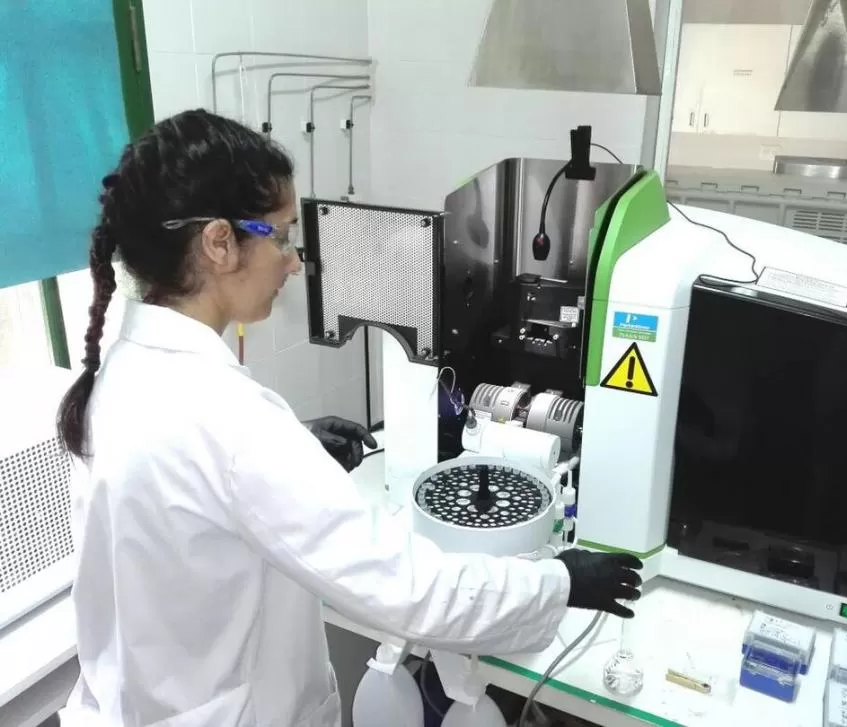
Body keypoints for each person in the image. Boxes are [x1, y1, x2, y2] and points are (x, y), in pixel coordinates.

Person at [56, 109, 642, 727]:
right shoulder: (229, 422)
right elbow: (407, 589)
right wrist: (560, 582)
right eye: (280, 236)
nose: (293, 261)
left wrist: (294, 451)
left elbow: (179, 519)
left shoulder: (119, 375)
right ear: (220, 242)